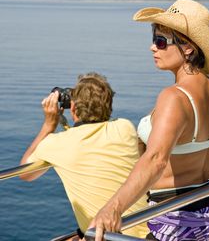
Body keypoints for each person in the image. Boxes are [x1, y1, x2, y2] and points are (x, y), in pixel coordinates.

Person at [89, 0, 209, 241]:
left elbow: (155, 159)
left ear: (188, 47)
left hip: (177, 223)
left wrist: (113, 208)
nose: (152, 48)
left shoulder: (174, 97)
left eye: (160, 41)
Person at [20, 72, 148, 239]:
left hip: (107, 235)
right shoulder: (125, 128)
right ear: (109, 105)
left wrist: (49, 125)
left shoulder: (56, 144)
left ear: (72, 108)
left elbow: (25, 173)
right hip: (147, 229)